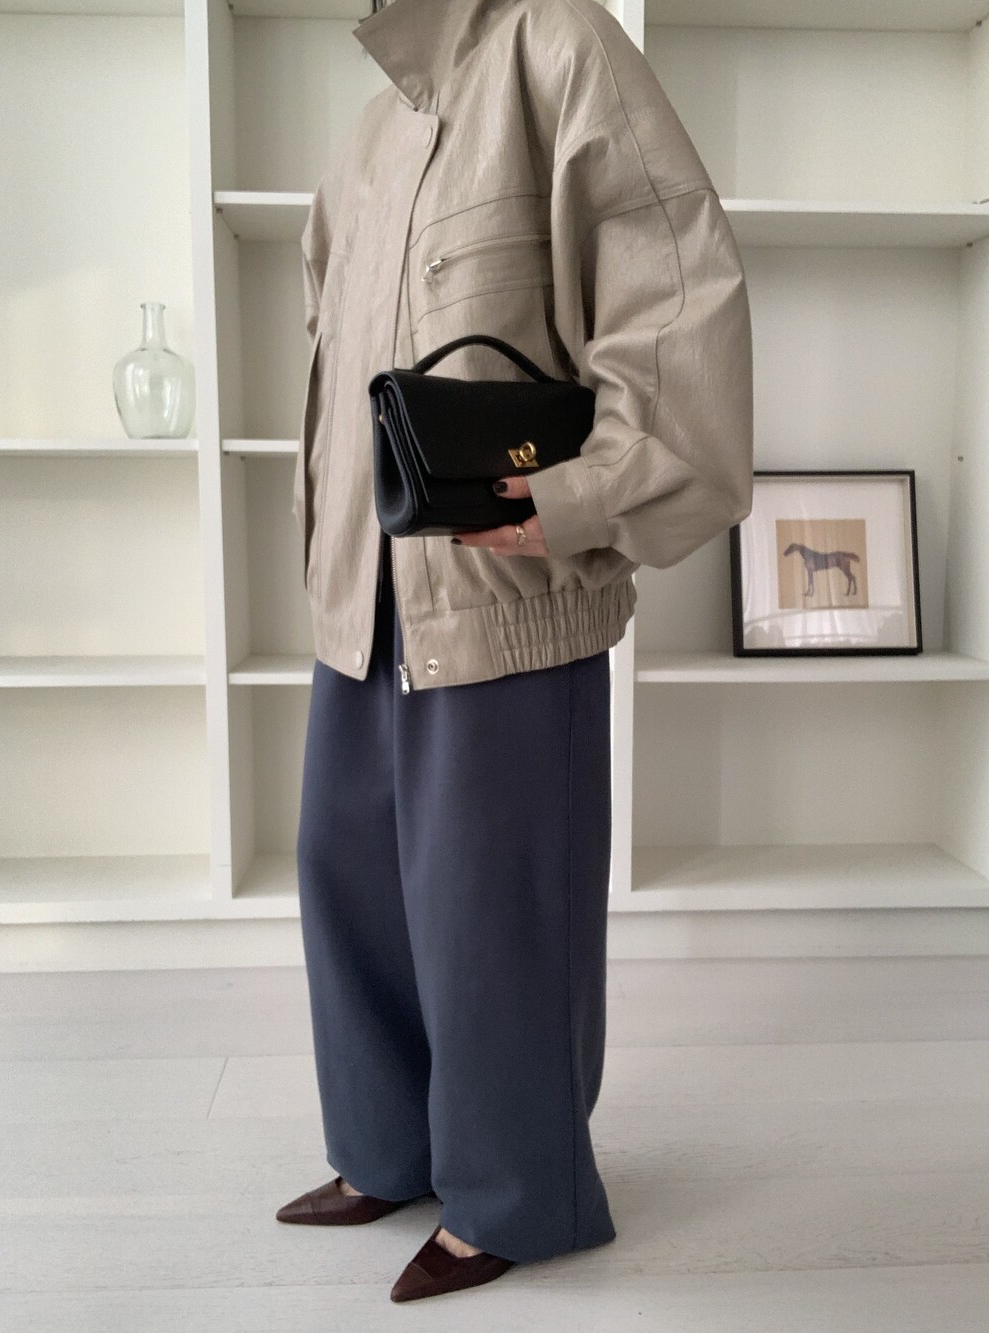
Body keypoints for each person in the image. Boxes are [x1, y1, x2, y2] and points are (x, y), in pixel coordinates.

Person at [278, 0, 754, 1304]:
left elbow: (675, 297)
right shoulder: (369, 130)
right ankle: (388, 1149)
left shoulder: (560, 48)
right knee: (348, 876)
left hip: (504, 586)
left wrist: (582, 499)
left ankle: (516, 1194)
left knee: (494, 911)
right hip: (362, 595)